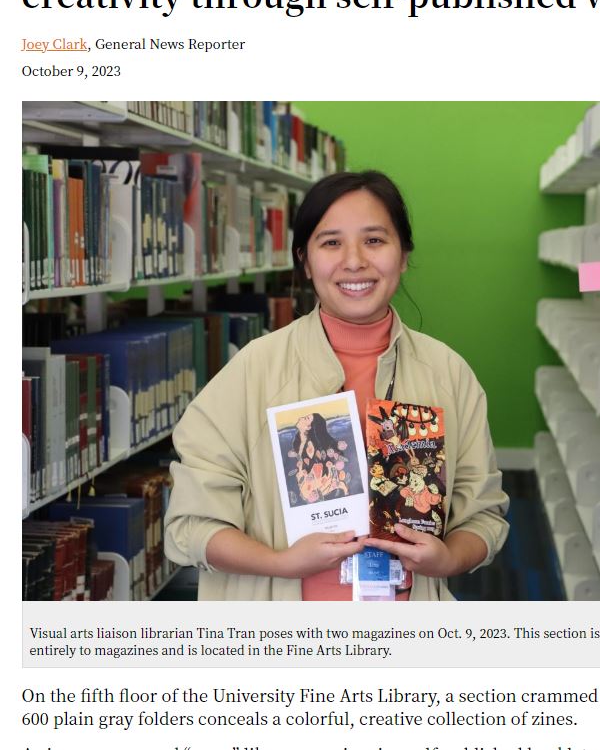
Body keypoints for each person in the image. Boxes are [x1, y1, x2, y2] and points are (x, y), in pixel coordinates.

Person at [164, 170, 509, 600]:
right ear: (305, 261)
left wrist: (450, 559)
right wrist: (280, 563)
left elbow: (484, 518)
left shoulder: (448, 373)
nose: (354, 261)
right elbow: (190, 526)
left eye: (375, 240)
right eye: (331, 242)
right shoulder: (253, 370)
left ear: (403, 255)